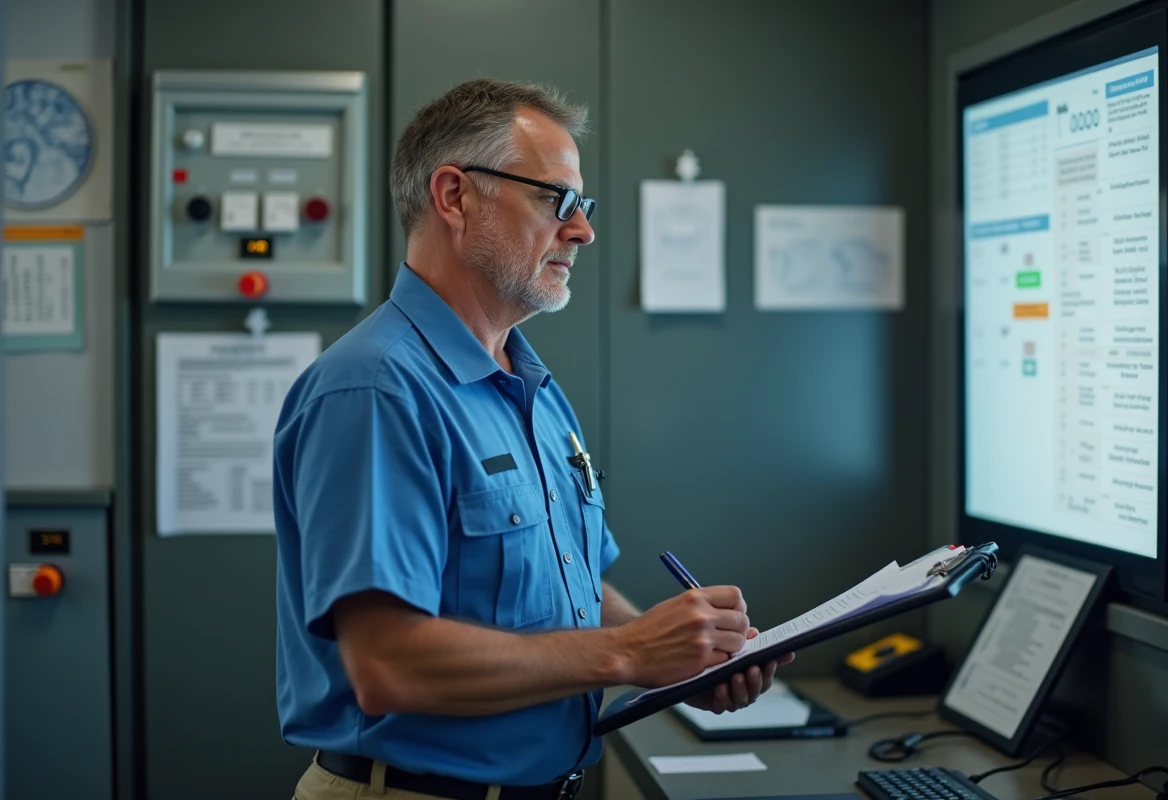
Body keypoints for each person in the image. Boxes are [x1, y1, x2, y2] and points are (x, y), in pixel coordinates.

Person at [273, 77, 794, 800]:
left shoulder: (530, 386)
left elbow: (571, 591)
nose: (581, 230)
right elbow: (388, 664)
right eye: (557, 200)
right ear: (454, 197)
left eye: (584, 206)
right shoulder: (375, 389)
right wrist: (629, 652)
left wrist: (679, 660)